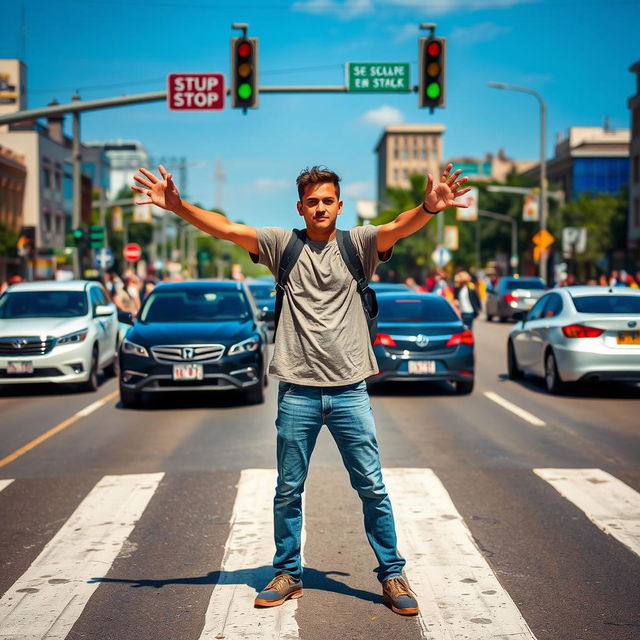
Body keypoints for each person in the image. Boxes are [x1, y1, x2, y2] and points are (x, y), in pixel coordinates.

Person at [131, 162, 470, 616]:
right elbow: (228, 230)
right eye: (312, 202)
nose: (320, 208)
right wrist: (177, 207)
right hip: (298, 393)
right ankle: (289, 572)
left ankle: (392, 574)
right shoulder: (281, 245)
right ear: (300, 207)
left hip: (350, 391)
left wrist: (429, 207)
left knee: (372, 487)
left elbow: (397, 226)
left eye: (327, 200)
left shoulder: (359, 244)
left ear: (339, 204)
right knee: (289, 489)